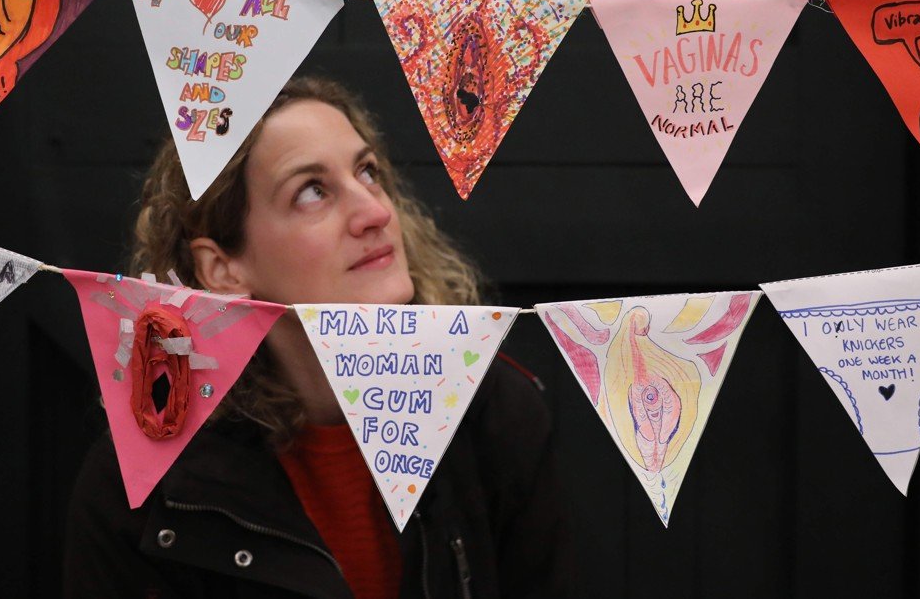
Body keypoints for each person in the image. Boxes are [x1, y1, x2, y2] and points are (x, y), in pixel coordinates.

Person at [64, 75, 571, 598]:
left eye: (367, 172)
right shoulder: (147, 490)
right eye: (312, 191)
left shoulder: (491, 416)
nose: (375, 213)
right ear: (223, 269)